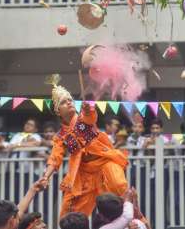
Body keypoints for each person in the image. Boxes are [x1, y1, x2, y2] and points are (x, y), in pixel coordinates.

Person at [43, 80, 129, 217]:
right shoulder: (60, 136)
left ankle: (132, 221)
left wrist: (88, 111)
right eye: (64, 102)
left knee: (118, 186)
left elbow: (90, 118)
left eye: (70, 100)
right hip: (83, 173)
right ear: (58, 111)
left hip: (104, 163)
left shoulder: (83, 117)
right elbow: (55, 157)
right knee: (70, 212)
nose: (69, 103)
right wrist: (46, 176)